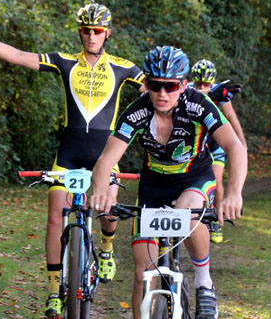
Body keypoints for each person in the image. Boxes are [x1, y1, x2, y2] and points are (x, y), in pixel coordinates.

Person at [0, 4, 145, 318]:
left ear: (107, 33)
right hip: (69, 154)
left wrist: (205, 93)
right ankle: (55, 292)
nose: (91, 36)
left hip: (102, 155)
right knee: (56, 218)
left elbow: (166, 87)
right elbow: (16, 54)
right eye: (85, 30)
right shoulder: (64, 62)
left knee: (109, 201)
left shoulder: (123, 67)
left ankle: (106, 250)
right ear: (79, 32)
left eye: (97, 31)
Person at [89, 46, 247, 319]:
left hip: (194, 176)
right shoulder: (137, 111)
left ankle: (203, 283)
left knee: (186, 212)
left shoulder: (198, 104)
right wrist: (102, 192)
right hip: (153, 184)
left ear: (183, 85)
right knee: (142, 274)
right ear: (147, 84)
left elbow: (235, 146)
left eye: (171, 86)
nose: (162, 93)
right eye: (155, 85)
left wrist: (234, 193)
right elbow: (105, 161)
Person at [190, 59, 247, 243]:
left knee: (215, 179)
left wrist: (241, 141)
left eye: (206, 84)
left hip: (216, 142)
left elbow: (230, 116)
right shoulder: (186, 88)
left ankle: (215, 220)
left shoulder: (218, 91)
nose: (202, 87)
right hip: (197, 141)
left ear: (212, 82)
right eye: (198, 83)